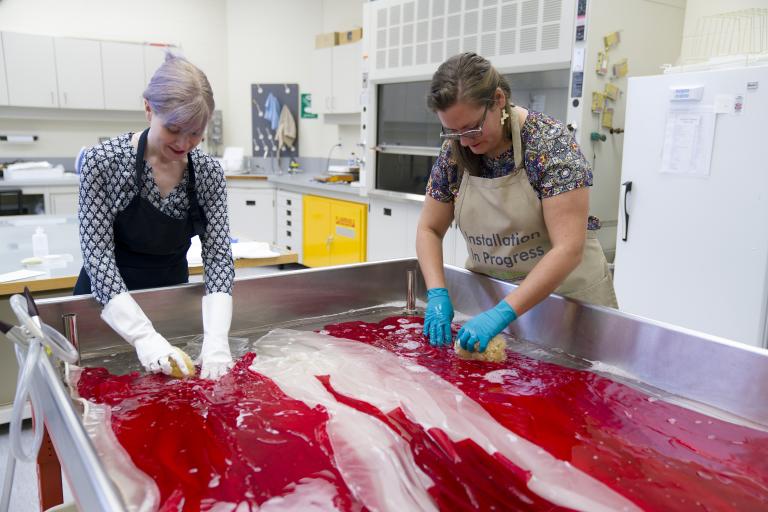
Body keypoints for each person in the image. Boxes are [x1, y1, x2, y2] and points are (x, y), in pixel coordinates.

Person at [418, 52, 617, 353]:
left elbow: (568, 249)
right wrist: (436, 292)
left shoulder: (550, 145)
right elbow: (429, 229)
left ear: (498, 100)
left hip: (565, 308)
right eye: (453, 131)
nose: (464, 141)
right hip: (495, 302)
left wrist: (502, 313)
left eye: (471, 128)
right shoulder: (455, 152)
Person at [74, 55, 235, 380]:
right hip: (105, 306)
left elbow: (218, 258)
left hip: (169, 298)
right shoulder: (102, 163)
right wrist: (143, 337)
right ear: (149, 109)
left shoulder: (207, 173)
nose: (183, 143)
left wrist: (216, 340)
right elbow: (98, 257)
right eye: (173, 129)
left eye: (195, 134)